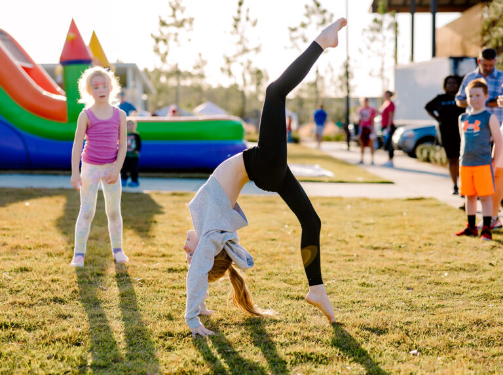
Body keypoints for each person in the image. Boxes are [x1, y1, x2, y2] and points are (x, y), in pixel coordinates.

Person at [183, 18, 347, 337]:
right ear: (209, 252)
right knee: (274, 92)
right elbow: (199, 269)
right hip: (261, 163)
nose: (185, 249)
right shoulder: (210, 235)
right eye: (189, 255)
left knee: (312, 222)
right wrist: (193, 318)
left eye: (187, 255)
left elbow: (200, 272)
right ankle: (321, 42)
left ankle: (317, 289)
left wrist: (201, 304)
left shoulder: (209, 229)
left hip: (266, 169)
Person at [69, 67, 129, 267]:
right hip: (90, 168)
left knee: (114, 211)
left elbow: (123, 145)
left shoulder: (119, 115)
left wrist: (116, 169)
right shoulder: (85, 115)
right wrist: (75, 173)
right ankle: (78, 254)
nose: (101, 89)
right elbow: (77, 145)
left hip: (111, 168)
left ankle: (118, 251)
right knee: (86, 211)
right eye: (96, 87)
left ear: (111, 87)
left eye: (104, 85)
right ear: (89, 91)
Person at [455, 79, 502, 241]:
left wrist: (494, 163)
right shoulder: (462, 118)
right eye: (470, 95)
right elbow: (463, 141)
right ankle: (471, 227)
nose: (474, 99)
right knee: (469, 196)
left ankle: (487, 228)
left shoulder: (489, 117)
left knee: (485, 197)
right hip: (466, 164)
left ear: (486, 96)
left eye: (478, 95)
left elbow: (498, 141)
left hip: (483, 164)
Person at [425, 75, 465, 195]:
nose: (451, 85)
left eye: (454, 83)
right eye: (449, 83)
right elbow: (427, 107)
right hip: (447, 133)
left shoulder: (462, 98)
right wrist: (437, 118)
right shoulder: (440, 98)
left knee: (463, 160)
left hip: (462, 132)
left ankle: (465, 185)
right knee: (452, 159)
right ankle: (455, 185)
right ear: (445, 85)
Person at [456, 48, 503, 124]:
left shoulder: (502, 77)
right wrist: (474, 100)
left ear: (495, 61)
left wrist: (498, 102)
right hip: (474, 126)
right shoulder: (469, 77)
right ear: (478, 61)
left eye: (491, 65)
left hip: (497, 125)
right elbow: (459, 101)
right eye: (485, 65)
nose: (488, 68)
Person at [121, 119, 142, 188]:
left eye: (132, 125)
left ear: (135, 126)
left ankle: (134, 181)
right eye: (128, 125)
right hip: (127, 155)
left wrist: (137, 150)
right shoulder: (126, 135)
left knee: (133, 169)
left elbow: (139, 143)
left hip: (134, 155)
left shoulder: (136, 135)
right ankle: (124, 179)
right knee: (124, 168)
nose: (130, 126)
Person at [357, 97, 377, 165]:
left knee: (371, 144)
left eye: (367, 101)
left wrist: (372, 128)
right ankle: (362, 159)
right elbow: (359, 120)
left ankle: (372, 160)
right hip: (362, 128)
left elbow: (372, 119)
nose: (366, 102)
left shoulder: (371, 109)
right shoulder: (360, 110)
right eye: (365, 101)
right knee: (362, 144)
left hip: (369, 128)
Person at [380, 90, 396, 167]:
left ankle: (391, 160)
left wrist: (388, 126)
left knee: (389, 143)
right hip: (384, 126)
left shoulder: (391, 104)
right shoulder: (385, 103)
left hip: (388, 126)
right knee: (386, 143)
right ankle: (388, 160)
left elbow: (390, 115)